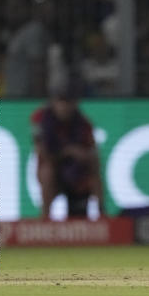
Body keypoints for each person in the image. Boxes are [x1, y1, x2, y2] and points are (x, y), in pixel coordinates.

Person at [31, 86, 106, 219]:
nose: (64, 107)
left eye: (67, 102)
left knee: (93, 166)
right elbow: (42, 152)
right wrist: (68, 152)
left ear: (74, 104)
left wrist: (82, 155)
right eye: (61, 102)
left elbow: (93, 152)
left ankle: (102, 213)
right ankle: (45, 216)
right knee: (47, 172)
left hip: (77, 171)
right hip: (54, 172)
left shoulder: (83, 123)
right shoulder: (42, 120)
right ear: (54, 103)